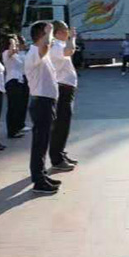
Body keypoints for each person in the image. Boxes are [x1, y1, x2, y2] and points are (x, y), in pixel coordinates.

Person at [24, 21, 62, 194]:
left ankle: (42, 175)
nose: (52, 38)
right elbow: (45, 46)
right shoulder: (34, 52)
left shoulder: (41, 54)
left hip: (46, 102)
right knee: (40, 143)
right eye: (49, 34)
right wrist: (49, 32)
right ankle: (38, 181)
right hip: (41, 103)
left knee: (43, 142)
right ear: (41, 35)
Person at [49, 21, 79, 171]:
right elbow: (69, 51)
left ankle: (61, 152)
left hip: (67, 87)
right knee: (61, 124)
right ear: (59, 32)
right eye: (66, 30)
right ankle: (57, 158)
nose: (68, 32)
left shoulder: (59, 45)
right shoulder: (55, 45)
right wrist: (72, 38)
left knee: (64, 123)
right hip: (62, 88)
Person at [3, 35, 26, 138]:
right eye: (14, 41)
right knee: (12, 107)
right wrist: (13, 41)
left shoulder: (17, 55)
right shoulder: (6, 53)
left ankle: (16, 128)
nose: (17, 43)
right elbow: (11, 51)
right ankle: (11, 131)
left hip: (19, 80)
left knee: (17, 107)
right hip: (12, 81)